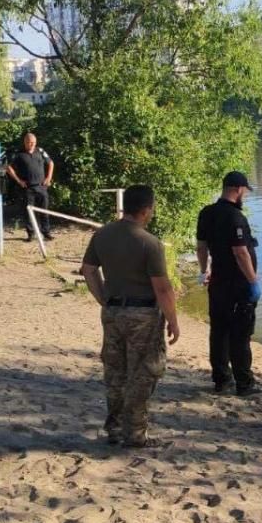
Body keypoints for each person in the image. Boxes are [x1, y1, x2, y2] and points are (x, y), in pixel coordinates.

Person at [80, 185, 180, 447]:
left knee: (115, 372)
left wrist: (103, 298)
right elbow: (162, 287)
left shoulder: (102, 235)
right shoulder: (150, 243)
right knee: (143, 373)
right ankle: (135, 432)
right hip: (143, 315)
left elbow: (88, 270)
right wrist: (173, 320)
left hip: (112, 312)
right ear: (146, 210)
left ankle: (114, 427)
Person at [195, 171, 262, 395]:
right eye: (244, 190)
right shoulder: (235, 217)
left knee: (219, 331)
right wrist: (253, 281)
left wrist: (204, 271)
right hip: (238, 285)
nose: (245, 194)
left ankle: (221, 380)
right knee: (241, 335)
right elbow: (240, 252)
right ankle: (244, 383)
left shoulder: (207, 213)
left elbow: (201, 246)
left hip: (217, 283)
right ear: (237, 189)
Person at [6, 132, 55, 241]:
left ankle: (46, 233)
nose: (31, 144)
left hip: (41, 186)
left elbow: (51, 163)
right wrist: (19, 181)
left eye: (33, 142)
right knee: (29, 212)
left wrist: (49, 178)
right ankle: (31, 234)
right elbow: (8, 167)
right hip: (28, 188)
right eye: (29, 142)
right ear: (25, 142)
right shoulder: (19, 154)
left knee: (44, 211)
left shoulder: (40, 151)